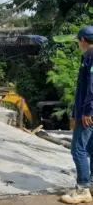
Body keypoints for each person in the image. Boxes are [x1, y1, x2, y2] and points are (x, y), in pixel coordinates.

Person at [61, 26, 93, 204]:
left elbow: (92, 87)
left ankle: (83, 189)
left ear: (82, 40)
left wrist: (88, 110)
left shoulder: (91, 56)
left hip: (89, 112)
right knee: (91, 148)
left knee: (78, 149)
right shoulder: (88, 56)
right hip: (89, 110)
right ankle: (90, 184)